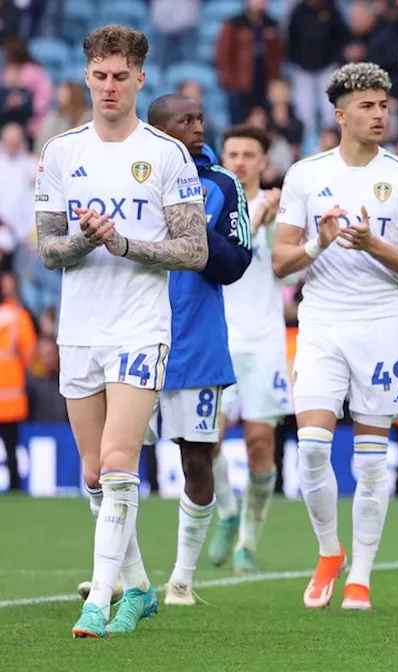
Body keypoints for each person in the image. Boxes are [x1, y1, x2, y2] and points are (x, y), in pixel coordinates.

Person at [34, 25, 210, 638]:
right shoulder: (61, 152)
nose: (109, 86)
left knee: (116, 462)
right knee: (91, 473)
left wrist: (122, 240)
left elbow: (193, 249)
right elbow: (50, 252)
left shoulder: (166, 153)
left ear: (140, 78)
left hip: (140, 327)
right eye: (100, 75)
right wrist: (87, 236)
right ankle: (137, 585)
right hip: (80, 330)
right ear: (87, 76)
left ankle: (99, 601)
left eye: (121, 76)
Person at [271, 62, 398, 611]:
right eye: (367, 106)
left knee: (369, 461)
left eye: (384, 106)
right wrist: (322, 244)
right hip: (320, 321)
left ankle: (361, 575)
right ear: (340, 114)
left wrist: (372, 246)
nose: (379, 114)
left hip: (382, 323)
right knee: (312, 448)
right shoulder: (305, 175)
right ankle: (328, 552)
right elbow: (279, 263)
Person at [141, 95, 253, 609]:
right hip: (135, 335)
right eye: (185, 121)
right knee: (113, 463)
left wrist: (192, 225)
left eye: (200, 119)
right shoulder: (130, 178)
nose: (198, 128)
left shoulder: (224, 186)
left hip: (196, 342)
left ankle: (182, 580)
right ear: (158, 131)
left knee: (197, 461)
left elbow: (233, 265)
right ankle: (122, 575)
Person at [207, 124, 297, 575]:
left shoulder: (284, 213)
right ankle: (224, 510)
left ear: (264, 162)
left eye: (249, 154)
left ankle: (247, 541)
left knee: (262, 445)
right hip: (218, 339)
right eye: (232, 153)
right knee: (208, 440)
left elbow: (293, 276)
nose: (239, 161)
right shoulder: (214, 206)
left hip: (264, 343)